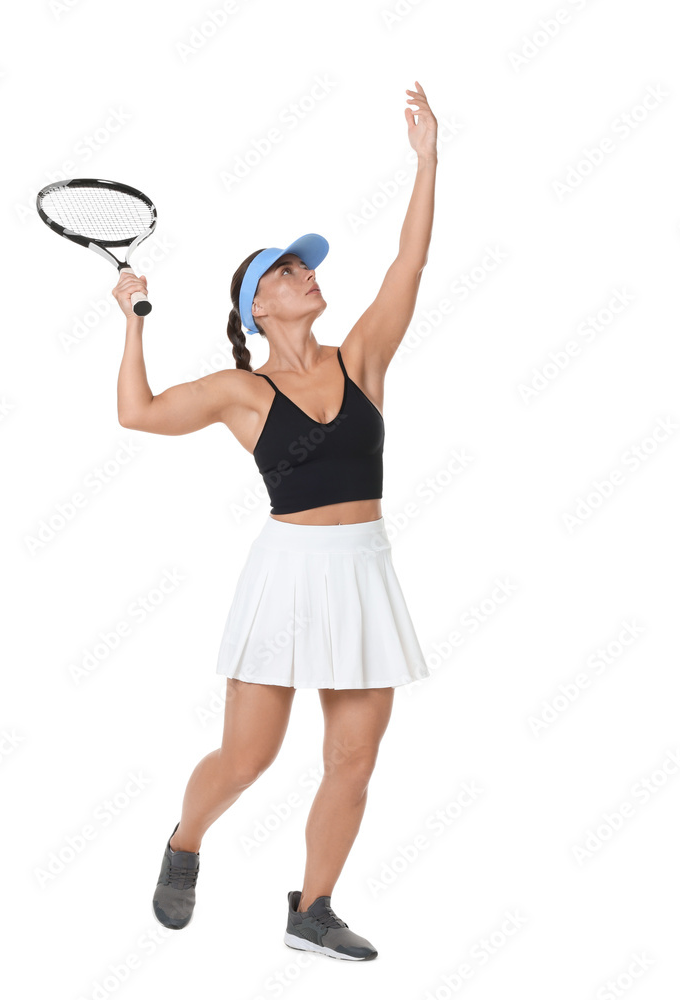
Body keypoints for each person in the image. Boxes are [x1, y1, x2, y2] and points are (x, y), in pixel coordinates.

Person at [113, 82, 438, 962]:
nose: (308, 275)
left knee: (354, 760)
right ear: (259, 305)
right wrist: (133, 322)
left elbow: (408, 265)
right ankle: (185, 841)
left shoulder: (361, 358)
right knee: (247, 759)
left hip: (364, 569)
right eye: (288, 271)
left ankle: (313, 909)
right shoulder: (242, 391)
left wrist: (427, 162)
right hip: (287, 573)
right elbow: (138, 414)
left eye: (308, 266)